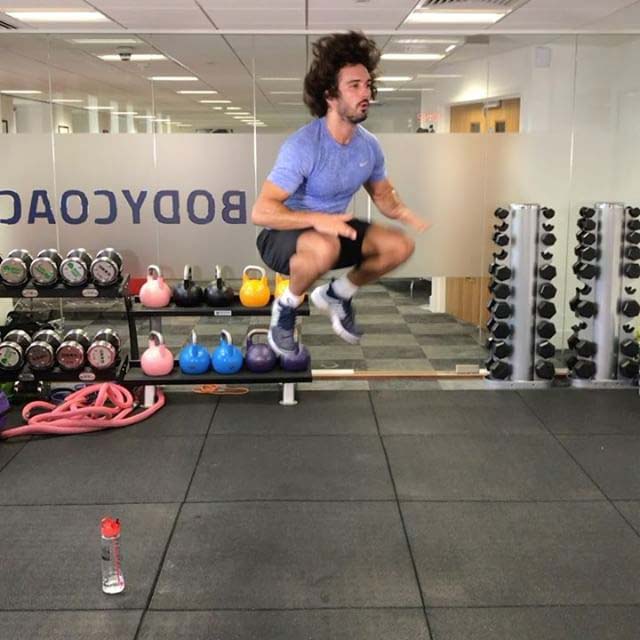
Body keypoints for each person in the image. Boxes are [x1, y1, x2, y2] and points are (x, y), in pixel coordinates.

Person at [252, 31, 430, 356]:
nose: (366, 93)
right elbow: (260, 212)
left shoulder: (369, 145)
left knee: (399, 246)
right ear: (331, 96)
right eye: (355, 86)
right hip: (282, 234)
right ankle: (285, 308)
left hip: (336, 228)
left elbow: (383, 193)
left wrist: (401, 210)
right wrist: (318, 219)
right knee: (323, 245)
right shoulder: (303, 145)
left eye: (368, 85)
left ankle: (339, 293)